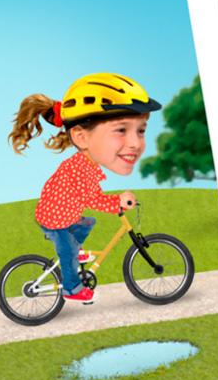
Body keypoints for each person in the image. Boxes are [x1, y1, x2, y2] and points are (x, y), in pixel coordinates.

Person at [9, 73, 161, 304]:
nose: (135, 143)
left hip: (65, 215)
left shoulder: (87, 166)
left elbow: (90, 199)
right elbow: (93, 199)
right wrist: (118, 202)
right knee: (68, 253)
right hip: (54, 219)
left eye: (141, 131)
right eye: (121, 130)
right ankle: (72, 288)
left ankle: (73, 252)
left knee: (88, 222)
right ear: (81, 137)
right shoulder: (79, 168)